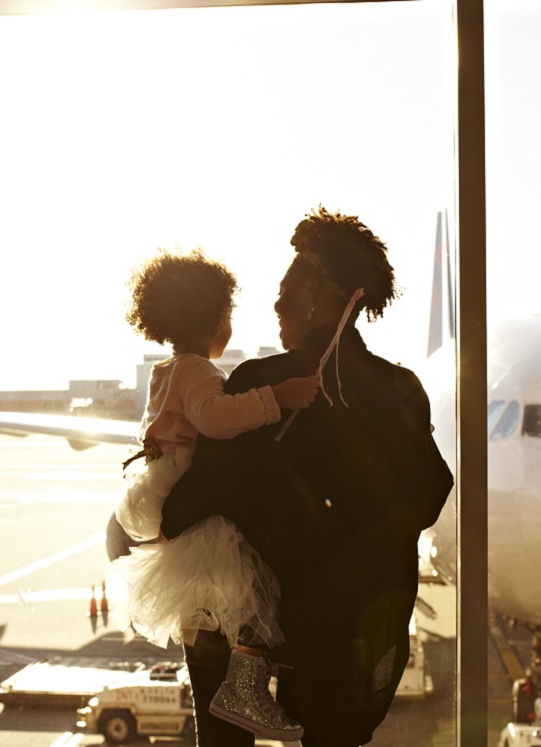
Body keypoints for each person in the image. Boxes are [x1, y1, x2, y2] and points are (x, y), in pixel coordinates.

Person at [161, 207, 454, 747]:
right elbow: (432, 491)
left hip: (267, 628)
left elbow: (203, 497)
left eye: (285, 287)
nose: (275, 303)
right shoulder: (402, 389)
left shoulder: (260, 383)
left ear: (315, 290)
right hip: (353, 631)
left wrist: (162, 510)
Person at [111, 248, 319, 742]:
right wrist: (276, 399)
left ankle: (235, 694)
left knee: (217, 609)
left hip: (163, 491)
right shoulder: (199, 371)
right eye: (227, 315)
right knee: (251, 588)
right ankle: (245, 687)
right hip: (195, 499)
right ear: (213, 322)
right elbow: (213, 419)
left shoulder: (164, 371)